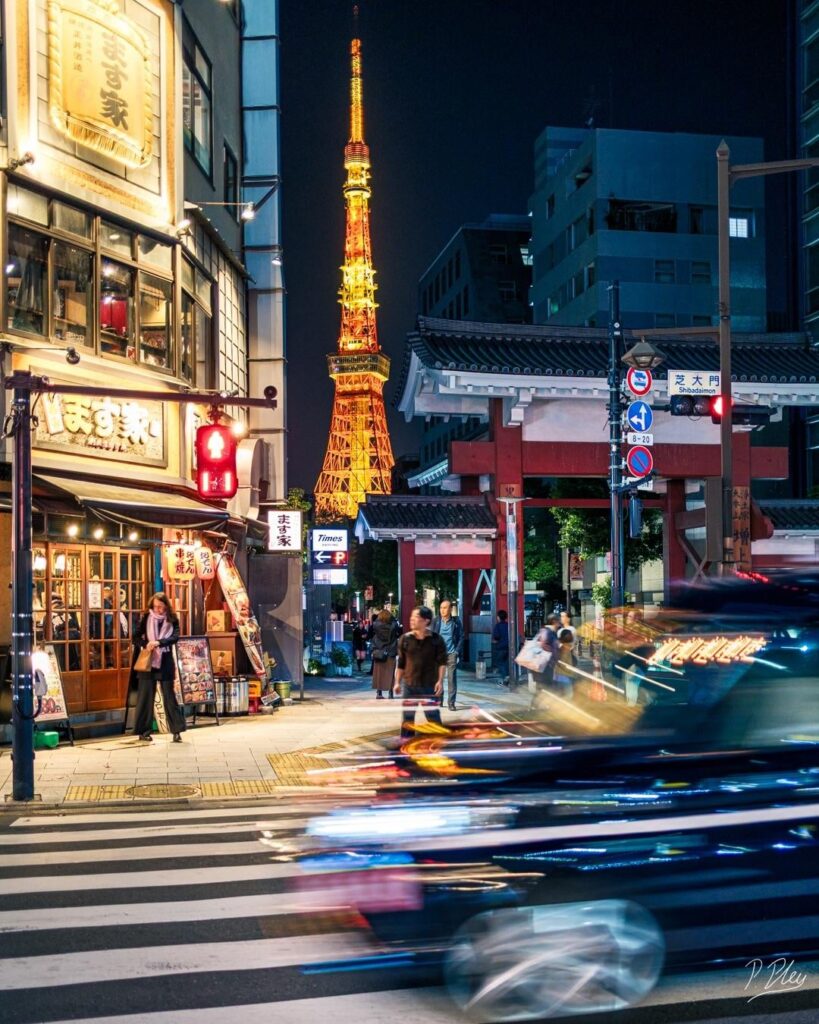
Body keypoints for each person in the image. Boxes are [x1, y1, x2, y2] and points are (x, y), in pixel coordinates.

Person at [132, 592, 186, 743]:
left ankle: (176, 731)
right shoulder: (146, 617)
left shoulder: (172, 619)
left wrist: (159, 642)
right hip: (148, 662)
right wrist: (146, 644)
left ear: (166, 606)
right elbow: (135, 637)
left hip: (165, 662)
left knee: (169, 697)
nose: (158, 610)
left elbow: (175, 637)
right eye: (156, 607)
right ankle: (143, 732)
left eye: (161, 607)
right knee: (145, 697)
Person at [394, 606, 447, 738]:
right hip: (409, 686)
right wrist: (397, 682)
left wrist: (440, 681)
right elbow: (401, 663)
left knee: (433, 719)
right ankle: (406, 745)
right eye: (412, 616)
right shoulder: (405, 639)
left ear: (426, 620)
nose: (412, 619)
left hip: (429, 686)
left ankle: (439, 744)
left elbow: (442, 663)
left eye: (416, 617)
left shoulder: (436, 640)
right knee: (407, 720)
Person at [431, 599, 463, 711]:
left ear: (450, 609)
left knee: (451, 679)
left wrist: (457, 651)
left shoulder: (456, 622)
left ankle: (451, 703)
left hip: (451, 654)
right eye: (441, 608)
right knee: (438, 678)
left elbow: (461, 637)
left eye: (445, 608)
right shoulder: (436, 621)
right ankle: (439, 700)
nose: (442, 610)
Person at [530, 612, 561, 699]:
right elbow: (544, 646)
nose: (559, 624)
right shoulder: (548, 632)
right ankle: (536, 705)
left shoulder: (544, 631)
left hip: (541, 665)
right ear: (554, 621)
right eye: (559, 622)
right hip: (544, 666)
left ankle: (536, 705)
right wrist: (555, 654)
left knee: (541, 689)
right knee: (544, 688)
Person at [370, 609, 400, 699]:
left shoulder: (376, 625)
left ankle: (379, 693)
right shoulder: (393, 625)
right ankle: (390, 693)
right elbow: (398, 631)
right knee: (390, 673)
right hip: (391, 651)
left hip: (379, 651)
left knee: (379, 673)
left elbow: (372, 635)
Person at [554, 628, 576, 699]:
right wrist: (571, 671)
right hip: (564, 676)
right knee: (568, 696)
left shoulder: (563, 647)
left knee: (561, 696)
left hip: (559, 675)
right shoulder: (566, 648)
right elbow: (562, 663)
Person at [491, 610, 509, 679]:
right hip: (508, 647)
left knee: (500, 662)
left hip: (501, 647)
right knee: (506, 662)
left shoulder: (498, 626)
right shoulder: (508, 625)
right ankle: (508, 676)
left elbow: (496, 637)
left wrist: (495, 641)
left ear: (498, 617)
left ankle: (505, 677)